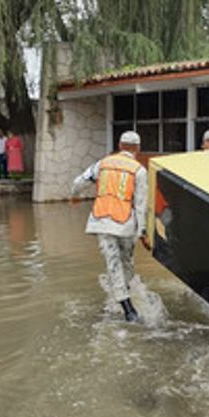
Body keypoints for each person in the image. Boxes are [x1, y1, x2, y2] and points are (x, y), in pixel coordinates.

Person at [70, 131, 149, 322]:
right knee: (126, 263)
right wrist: (143, 233)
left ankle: (126, 308)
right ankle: (127, 305)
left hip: (102, 221)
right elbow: (141, 205)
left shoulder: (103, 164)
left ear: (120, 146)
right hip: (125, 224)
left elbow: (79, 182)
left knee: (113, 264)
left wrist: (75, 195)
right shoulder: (139, 170)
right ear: (137, 149)